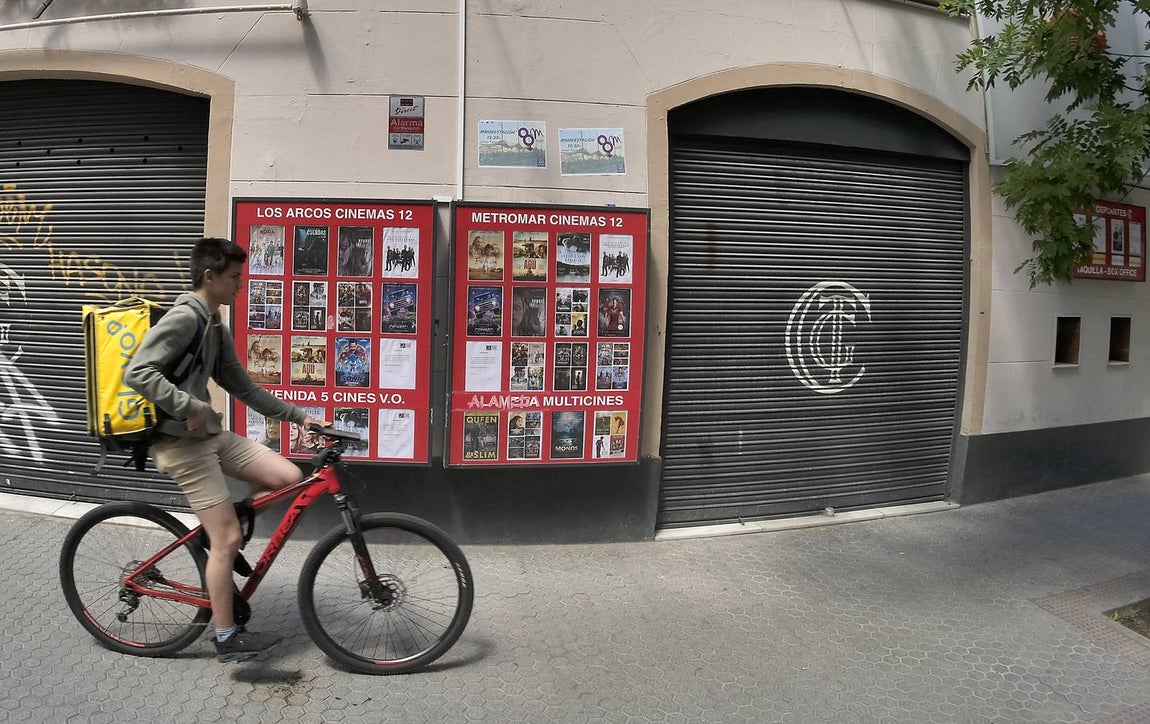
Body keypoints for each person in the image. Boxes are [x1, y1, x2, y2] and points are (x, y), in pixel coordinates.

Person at [125, 237, 328, 664]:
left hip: (211, 437)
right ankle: (225, 634)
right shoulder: (185, 318)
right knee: (229, 539)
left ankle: (221, 529)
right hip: (182, 446)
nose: (242, 284)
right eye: (235, 277)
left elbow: (243, 387)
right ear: (209, 276)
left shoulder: (214, 323)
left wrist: (299, 416)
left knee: (288, 477)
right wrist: (188, 405)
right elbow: (137, 371)